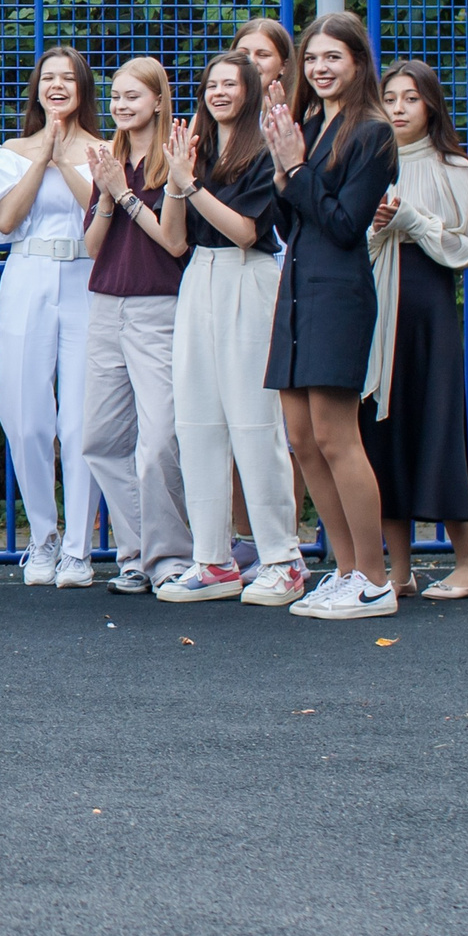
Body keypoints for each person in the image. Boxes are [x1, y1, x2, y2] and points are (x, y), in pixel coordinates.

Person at [154, 52, 309, 608]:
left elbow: (245, 231)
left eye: (230, 84)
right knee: (196, 422)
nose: (219, 92)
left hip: (249, 276)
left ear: (250, 91)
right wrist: (176, 183)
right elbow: (175, 240)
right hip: (200, 276)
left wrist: (191, 184)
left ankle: (283, 559)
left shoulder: (262, 150)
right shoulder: (194, 150)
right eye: (212, 84)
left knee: (253, 422)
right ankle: (213, 560)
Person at [262, 10, 400, 621]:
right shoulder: (312, 124)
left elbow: (345, 226)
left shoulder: (373, 133)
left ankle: (374, 579)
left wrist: (297, 169)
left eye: (333, 58)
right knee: (301, 438)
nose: (320, 68)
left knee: (337, 437)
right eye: (312, 58)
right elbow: (289, 223)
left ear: (358, 62)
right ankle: (344, 571)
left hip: (338, 294)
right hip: (297, 288)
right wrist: (281, 167)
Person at [0, 45, 102, 588]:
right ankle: (42, 536)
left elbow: (106, 211)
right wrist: (42, 154)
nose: (57, 86)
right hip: (27, 275)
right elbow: (1, 222)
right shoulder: (12, 153)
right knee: (24, 415)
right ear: (36, 88)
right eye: (48, 77)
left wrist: (66, 158)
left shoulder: (105, 150)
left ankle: (78, 548)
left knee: (82, 421)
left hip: (87, 279)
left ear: (82, 88)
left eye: (68, 78)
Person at [365, 60, 468, 600]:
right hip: (376, 305)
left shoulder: (453, 167)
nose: (398, 108)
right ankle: (399, 569)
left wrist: (410, 220)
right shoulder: (370, 161)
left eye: (410, 98)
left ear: (431, 105)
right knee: (381, 430)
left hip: (427, 308)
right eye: (390, 98)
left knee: (437, 425)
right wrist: (377, 231)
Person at [77, 58, 192, 595]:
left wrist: (123, 193)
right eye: (116, 96)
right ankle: (135, 554)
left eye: (133, 96)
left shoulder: (173, 160)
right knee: (101, 438)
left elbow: (174, 242)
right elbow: (92, 248)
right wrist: (105, 194)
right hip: (106, 306)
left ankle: (171, 556)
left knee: (161, 438)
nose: (122, 105)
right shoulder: (109, 160)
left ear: (158, 100)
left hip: (157, 308)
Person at [227, 14, 298, 573]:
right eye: (243, 53)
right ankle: (242, 537)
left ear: (282, 65)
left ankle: (283, 539)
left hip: (280, 273)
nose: (252, 63)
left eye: (264, 54)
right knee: (229, 416)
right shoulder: (219, 121)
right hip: (226, 277)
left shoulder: (297, 122)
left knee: (278, 419)